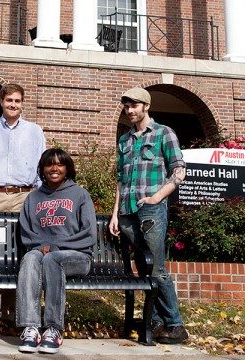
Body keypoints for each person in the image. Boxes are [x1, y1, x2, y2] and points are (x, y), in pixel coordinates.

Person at [109, 87, 188, 344]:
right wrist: (114, 215)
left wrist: (157, 197)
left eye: (134, 106)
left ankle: (175, 324)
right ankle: (154, 322)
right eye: (126, 106)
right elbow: (120, 180)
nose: (129, 111)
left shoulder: (164, 133)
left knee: (156, 269)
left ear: (146, 106)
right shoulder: (125, 140)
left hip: (151, 210)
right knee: (143, 267)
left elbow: (179, 170)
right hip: (127, 212)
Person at [16, 148, 97, 354]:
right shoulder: (33, 198)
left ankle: (53, 329)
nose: (54, 168)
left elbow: (88, 233)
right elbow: (26, 231)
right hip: (43, 252)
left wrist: (55, 246)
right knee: (30, 258)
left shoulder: (80, 194)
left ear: (67, 168)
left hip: (77, 256)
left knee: (53, 259)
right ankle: (30, 327)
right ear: (43, 169)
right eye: (49, 164)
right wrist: (42, 245)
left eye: (59, 164)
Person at [0, 83, 46, 212]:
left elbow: (41, 169)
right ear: (1, 102)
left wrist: (43, 197)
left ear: (22, 103)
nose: (13, 105)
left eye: (17, 101)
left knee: (24, 233)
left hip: (25, 198)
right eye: (9, 100)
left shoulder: (35, 131)